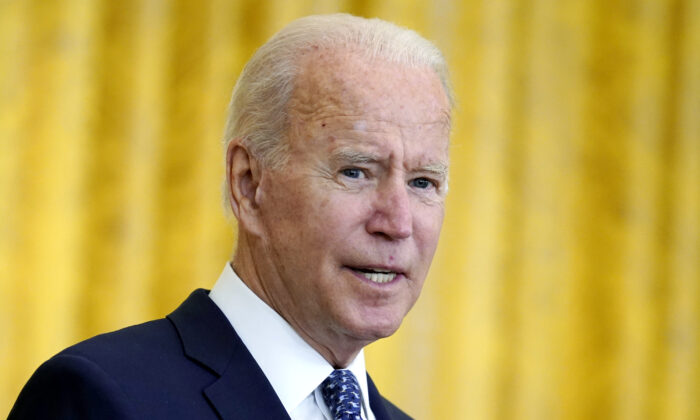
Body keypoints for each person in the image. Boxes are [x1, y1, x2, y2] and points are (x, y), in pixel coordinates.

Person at [9, 13, 452, 420]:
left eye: (422, 183)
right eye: (355, 172)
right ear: (248, 183)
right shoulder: (100, 398)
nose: (397, 224)